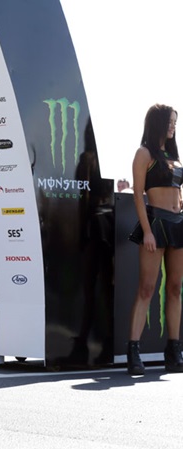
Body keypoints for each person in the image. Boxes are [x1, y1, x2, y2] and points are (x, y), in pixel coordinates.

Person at [127, 103, 183, 375]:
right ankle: (133, 350)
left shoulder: (173, 155)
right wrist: (147, 230)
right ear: (158, 122)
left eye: (175, 121)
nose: (174, 126)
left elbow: (177, 192)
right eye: (171, 121)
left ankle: (174, 350)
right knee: (147, 288)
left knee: (174, 288)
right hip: (156, 223)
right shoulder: (144, 153)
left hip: (178, 224)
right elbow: (139, 194)